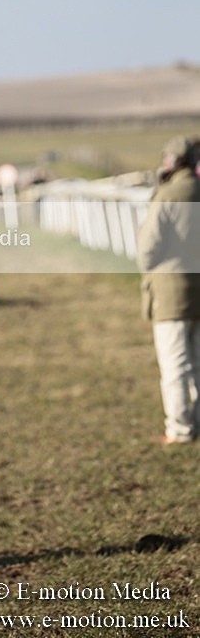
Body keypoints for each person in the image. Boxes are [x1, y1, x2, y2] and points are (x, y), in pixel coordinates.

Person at [136, 135, 200, 444]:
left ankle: (180, 428)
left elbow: (147, 249)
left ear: (172, 161)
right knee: (197, 361)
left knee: (175, 365)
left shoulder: (168, 194)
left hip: (170, 292)